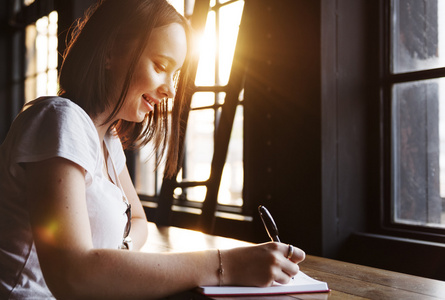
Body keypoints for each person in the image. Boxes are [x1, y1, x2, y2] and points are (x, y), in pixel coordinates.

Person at [0, 0, 305, 298]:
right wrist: (224, 264)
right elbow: (72, 276)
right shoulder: (60, 119)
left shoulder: (107, 140)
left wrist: (118, 259)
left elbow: (138, 222)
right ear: (111, 50)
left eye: (174, 75)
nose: (171, 90)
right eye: (161, 66)